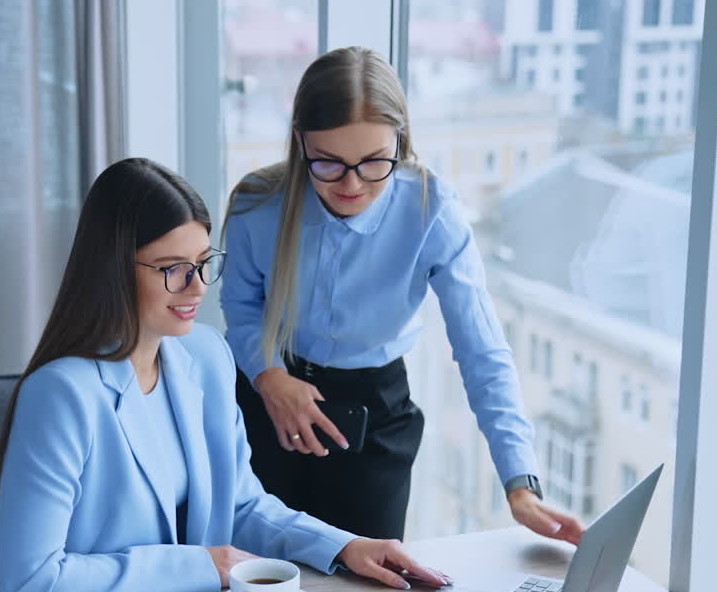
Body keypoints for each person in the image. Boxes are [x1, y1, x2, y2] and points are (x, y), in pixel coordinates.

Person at [0, 158, 449, 592]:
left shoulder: (205, 356)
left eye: (203, 263)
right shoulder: (61, 394)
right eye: (173, 269)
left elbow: (242, 505)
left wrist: (345, 545)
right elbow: (32, 584)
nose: (197, 288)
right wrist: (205, 566)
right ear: (112, 268)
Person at [220, 47, 585, 545]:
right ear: (300, 143)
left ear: (401, 142)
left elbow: (482, 351)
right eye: (327, 163)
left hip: (374, 419)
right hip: (269, 403)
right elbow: (241, 307)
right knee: (259, 576)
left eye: (374, 162)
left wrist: (520, 483)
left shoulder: (433, 210)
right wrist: (269, 378)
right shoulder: (256, 204)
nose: (352, 184)